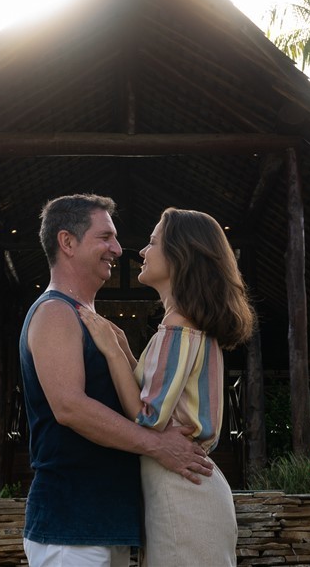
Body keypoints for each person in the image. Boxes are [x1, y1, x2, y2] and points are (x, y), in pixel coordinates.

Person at [19, 194, 214, 567]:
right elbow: (70, 407)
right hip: (71, 527)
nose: (118, 248)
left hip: (107, 525)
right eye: (105, 237)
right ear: (68, 242)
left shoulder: (92, 319)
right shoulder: (55, 312)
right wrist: (159, 446)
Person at [78, 207, 256, 567]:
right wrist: (127, 349)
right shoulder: (184, 328)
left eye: (153, 242)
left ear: (180, 256)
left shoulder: (178, 330)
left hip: (182, 494)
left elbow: (150, 418)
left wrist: (113, 352)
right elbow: (155, 398)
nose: (142, 251)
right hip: (185, 489)